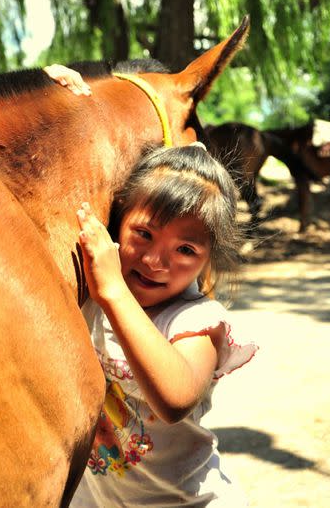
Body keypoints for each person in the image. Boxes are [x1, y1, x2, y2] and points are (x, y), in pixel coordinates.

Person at [70, 144, 258, 507]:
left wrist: (112, 290)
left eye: (185, 250)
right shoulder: (87, 296)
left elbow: (174, 400)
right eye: (143, 234)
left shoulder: (197, 321)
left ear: (209, 258)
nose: (156, 261)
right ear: (118, 220)